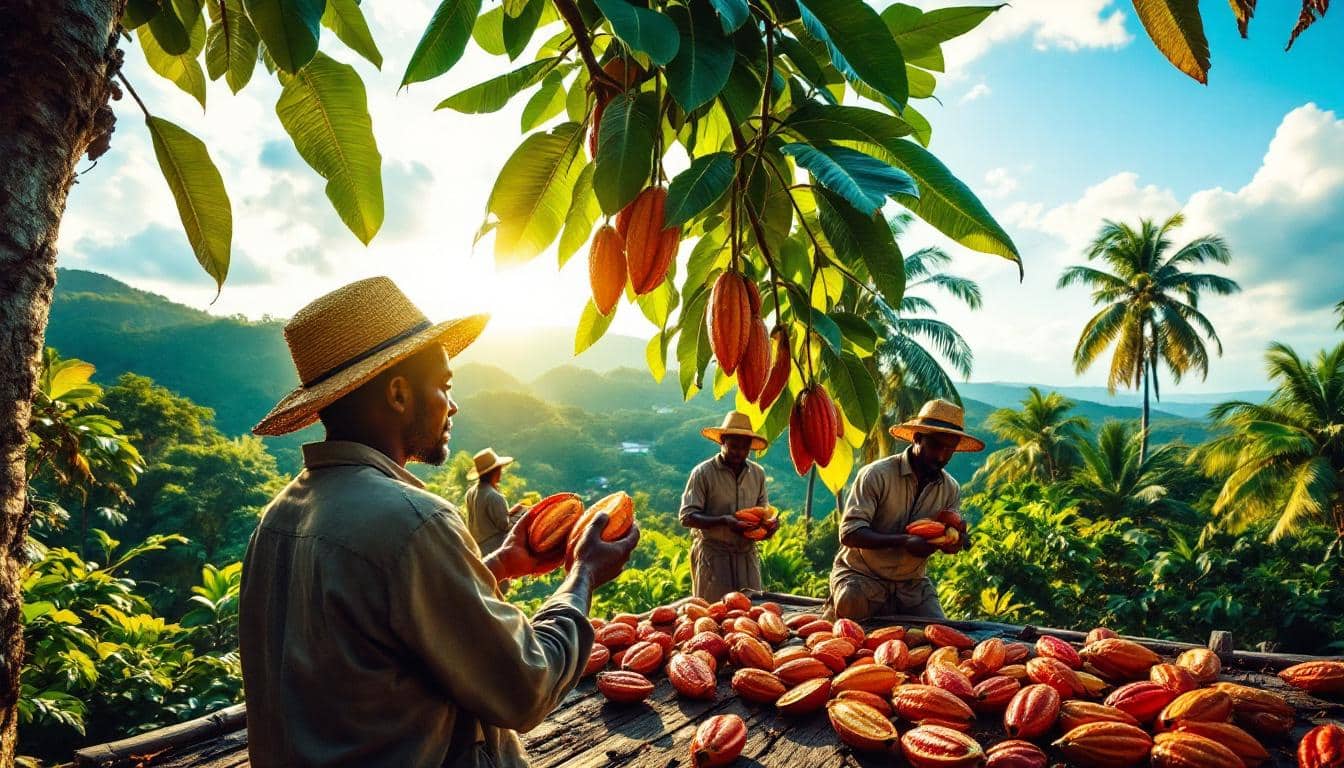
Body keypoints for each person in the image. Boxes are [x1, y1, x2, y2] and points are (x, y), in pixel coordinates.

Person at [239, 277, 639, 768]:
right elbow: (525, 687)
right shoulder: (412, 521)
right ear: (400, 393)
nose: (453, 405)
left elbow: (378, 626)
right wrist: (583, 575)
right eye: (445, 386)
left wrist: (500, 564)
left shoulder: (276, 518)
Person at [825, 399, 982, 622]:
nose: (941, 456)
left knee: (939, 631)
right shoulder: (876, 475)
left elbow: (945, 540)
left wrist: (953, 542)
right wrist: (904, 541)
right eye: (936, 445)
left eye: (950, 449)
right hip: (862, 576)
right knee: (850, 605)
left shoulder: (950, 488)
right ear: (917, 438)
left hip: (911, 584)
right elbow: (849, 533)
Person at [679, 411, 779, 601]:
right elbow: (687, 516)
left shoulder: (758, 474)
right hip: (715, 557)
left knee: (751, 612)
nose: (738, 452)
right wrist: (724, 521)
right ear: (722, 442)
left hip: (746, 556)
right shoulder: (703, 473)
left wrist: (770, 527)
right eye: (733, 446)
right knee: (714, 613)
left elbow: (763, 513)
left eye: (744, 447)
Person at [464, 447, 527, 555]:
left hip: (477, 549)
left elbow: (486, 520)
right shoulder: (494, 496)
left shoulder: (470, 492)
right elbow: (504, 526)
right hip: (495, 549)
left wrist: (511, 511)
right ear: (495, 471)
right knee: (526, 513)